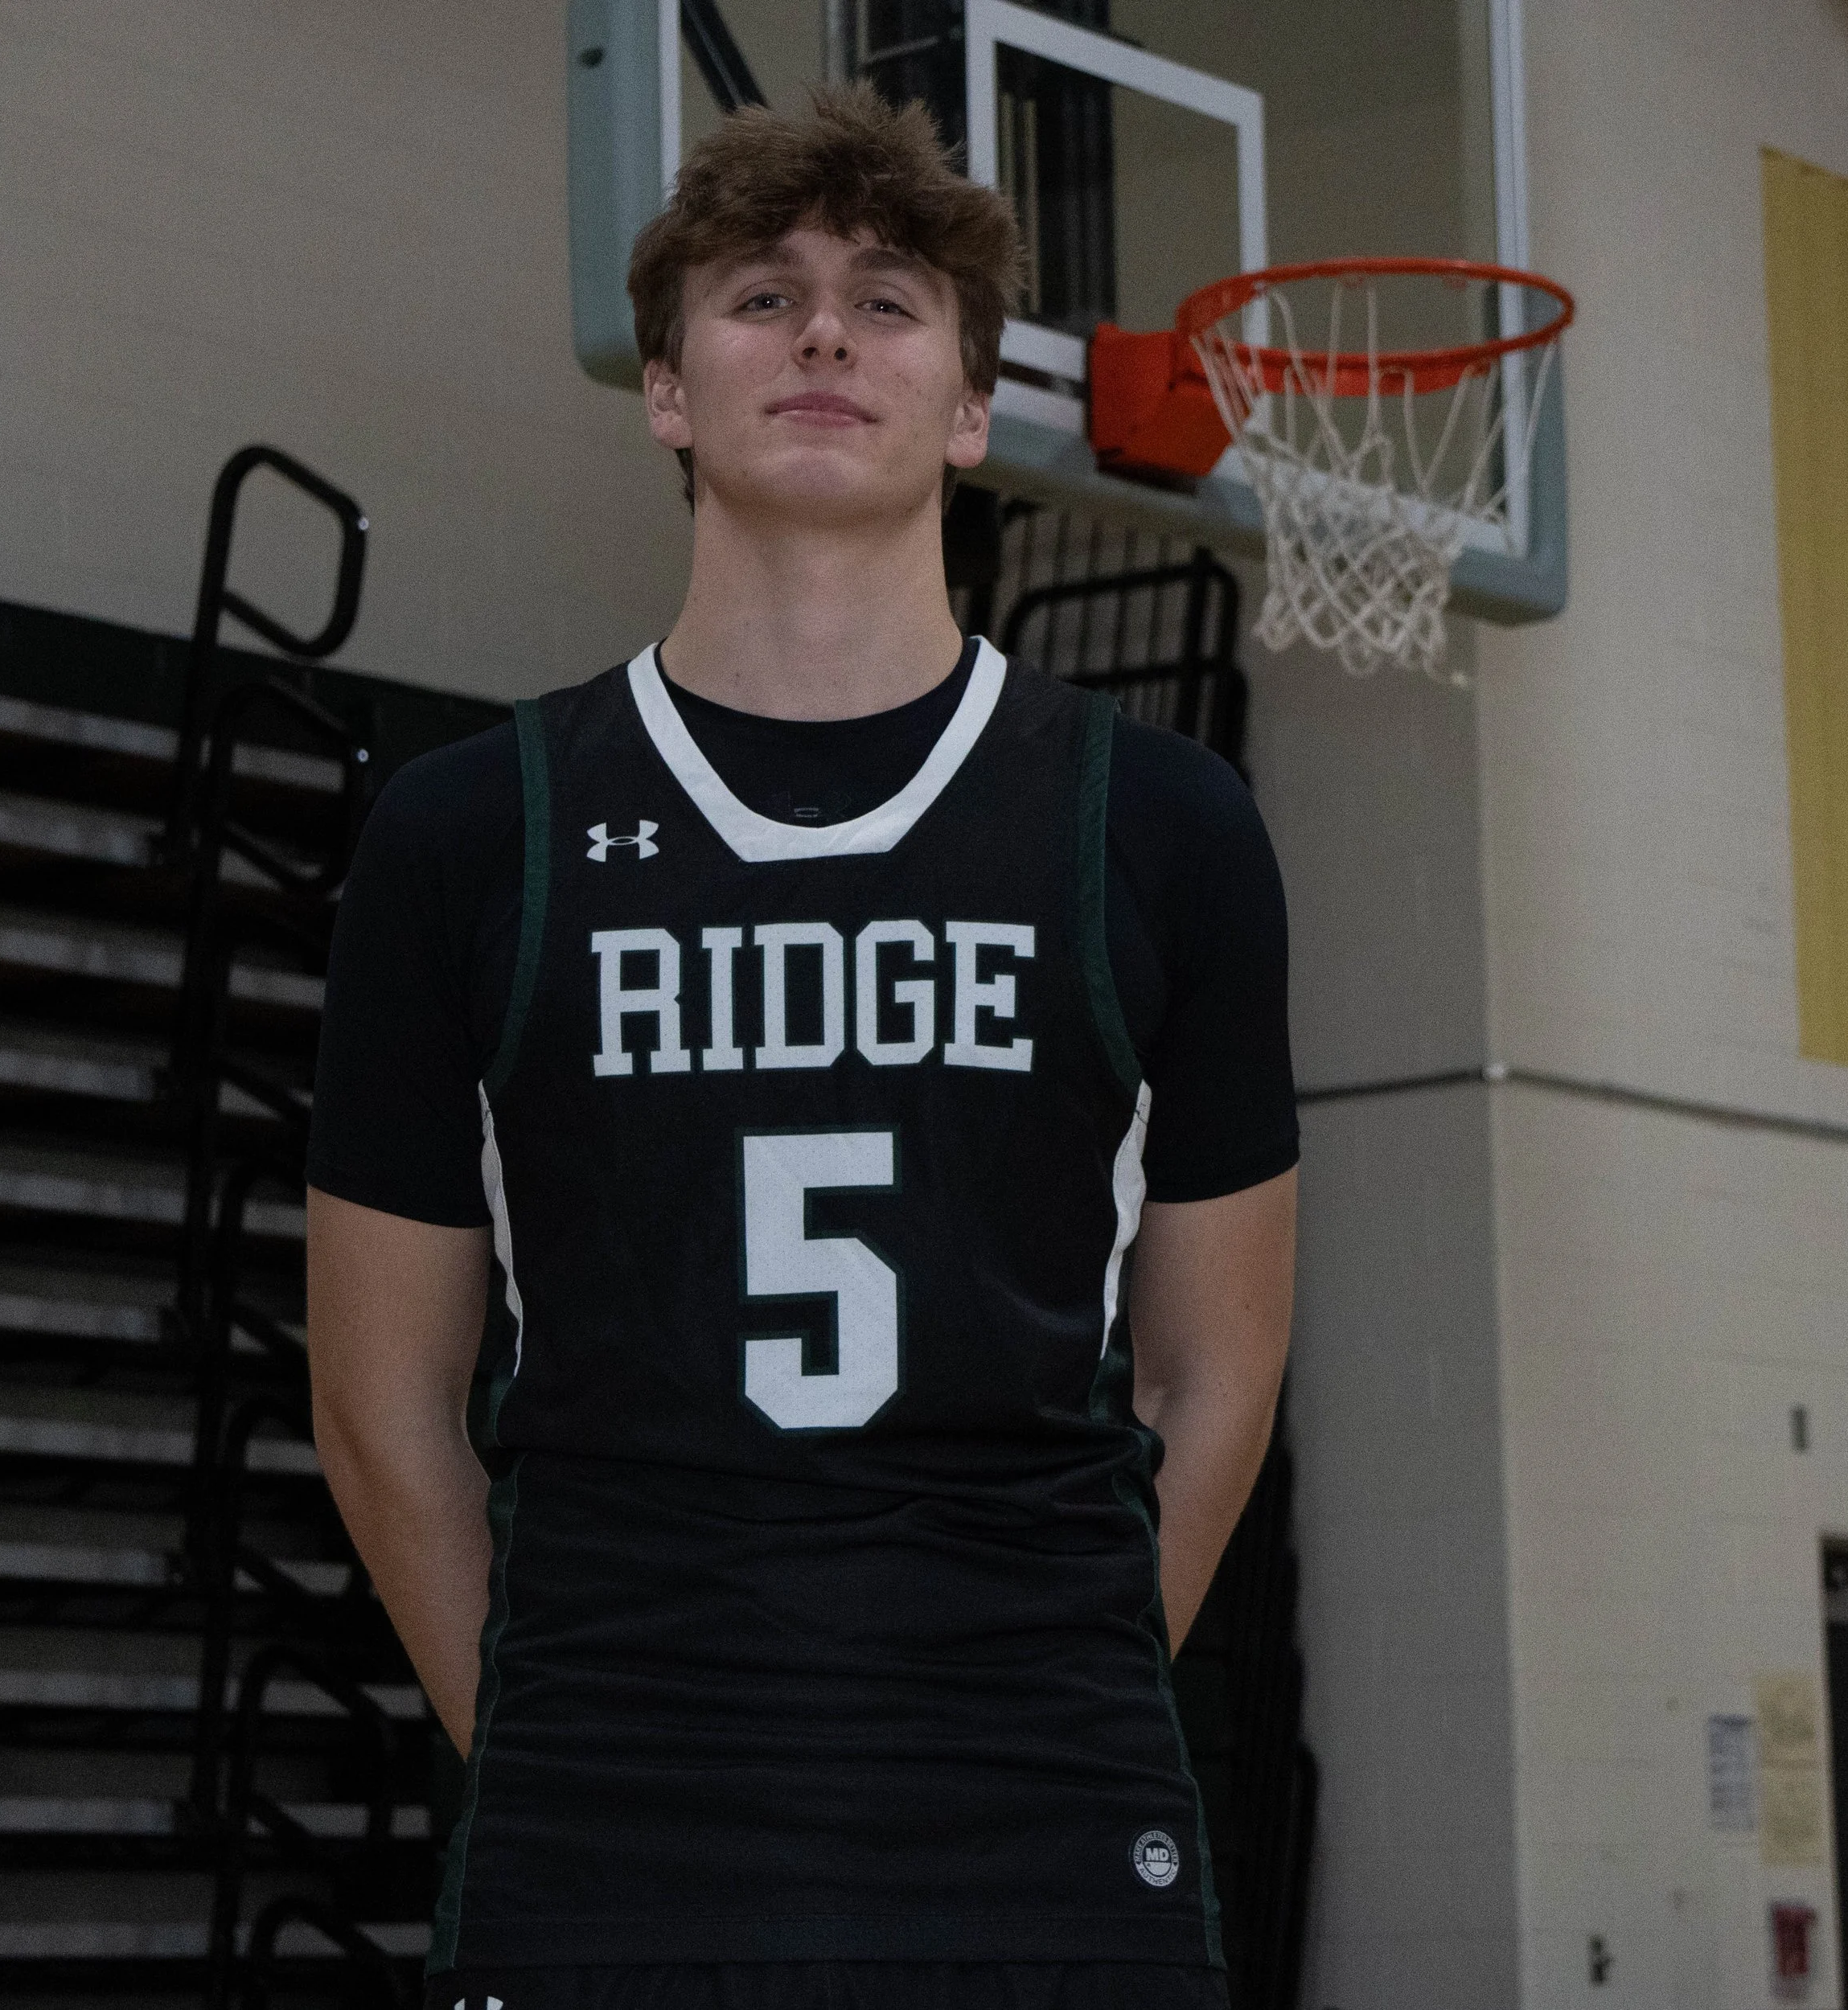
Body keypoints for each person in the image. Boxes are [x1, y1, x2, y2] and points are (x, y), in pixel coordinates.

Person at [306, 83, 1298, 2010]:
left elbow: (1216, 1363)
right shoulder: (469, 832)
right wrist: (558, 1729)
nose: (824, 332)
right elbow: (377, 1398)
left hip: (1041, 1811)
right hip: (613, 1808)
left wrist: (1052, 1678)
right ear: (667, 391)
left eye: (888, 299)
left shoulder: (1161, 828)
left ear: (968, 405)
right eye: (761, 296)